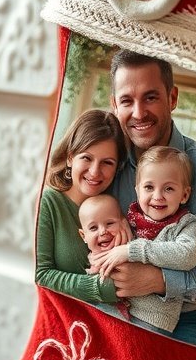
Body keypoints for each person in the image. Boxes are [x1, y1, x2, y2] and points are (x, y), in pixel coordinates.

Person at [108, 49, 196, 348]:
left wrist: (157, 280)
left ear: (173, 98)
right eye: (127, 100)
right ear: (115, 105)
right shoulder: (106, 160)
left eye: (151, 97)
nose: (139, 112)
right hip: (113, 303)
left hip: (186, 317)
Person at [87, 146, 196, 333]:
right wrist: (99, 258)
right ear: (137, 190)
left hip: (152, 318)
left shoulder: (185, 224)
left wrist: (132, 250)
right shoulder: (130, 217)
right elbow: (112, 249)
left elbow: (188, 255)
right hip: (114, 305)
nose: (157, 196)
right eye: (149, 187)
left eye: (169, 189)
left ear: (184, 195)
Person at [35, 108, 128, 306]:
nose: (95, 172)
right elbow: (40, 274)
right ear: (70, 157)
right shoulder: (48, 202)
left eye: (107, 162)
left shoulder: (116, 206)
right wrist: (104, 287)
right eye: (86, 158)